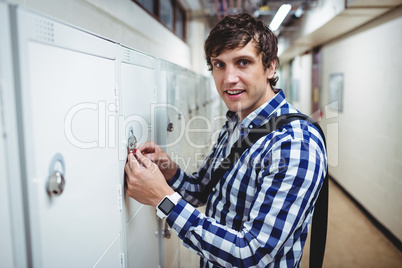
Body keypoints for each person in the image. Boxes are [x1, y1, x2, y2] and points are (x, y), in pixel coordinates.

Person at [125, 13, 327, 267]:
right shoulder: (237, 122)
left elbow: (251, 254)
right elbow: (202, 190)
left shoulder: (294, 144)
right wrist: (169, 170)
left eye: (243, 62)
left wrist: (162, 198)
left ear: (270, 67)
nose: (229, 79)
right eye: (219, 64)